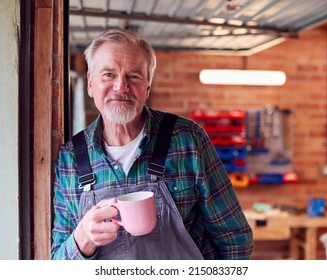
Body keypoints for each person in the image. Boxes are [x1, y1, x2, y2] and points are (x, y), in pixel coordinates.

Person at [51, 28, 253, 260]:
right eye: (108, 75)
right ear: (90, 84)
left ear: (147, 87)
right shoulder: (71, 158)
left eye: (133, 76)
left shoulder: (187, 139)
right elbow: (56, 261)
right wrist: (83, 238)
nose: (121, 87)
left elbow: (235, 239)